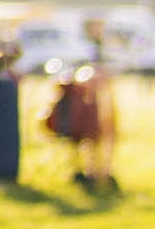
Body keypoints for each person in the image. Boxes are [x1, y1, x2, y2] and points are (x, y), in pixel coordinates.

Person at [45, 19, 118, 192]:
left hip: (98, 104)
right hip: (81, 107)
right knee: (86, 137)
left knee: (102, 136)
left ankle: (101, 171)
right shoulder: (79, 49)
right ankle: (87, 171)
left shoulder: (104, 49)